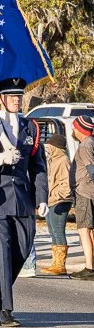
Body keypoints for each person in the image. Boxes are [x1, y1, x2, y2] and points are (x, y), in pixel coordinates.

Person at [0, 77, 48, 326]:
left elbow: (38, 166)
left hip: (22, 199)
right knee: (1, 254)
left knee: (23, 250)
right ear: (0, 99)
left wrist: (41, 197)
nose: (17, 100)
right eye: (12, 96)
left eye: (19, 96)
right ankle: (3, 309)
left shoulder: (31, 127)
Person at [39, 133, 73, 275]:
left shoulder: (63, 160)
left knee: (58, 230)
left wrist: (55, 195)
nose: (49, 148)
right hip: (52, 201)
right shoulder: (53, 160)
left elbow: (67, 185)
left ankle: (60, 265)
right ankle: (56, 263)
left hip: (61, 201)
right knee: (52, 231)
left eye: (51, 146)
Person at [70, 116, 94, 280]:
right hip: (88, 191)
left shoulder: (86, 145)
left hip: (85, 192)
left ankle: (90, 267)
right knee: (90, 230)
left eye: (74, 127)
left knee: (84, 230)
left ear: (79, 129)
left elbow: (91, 169)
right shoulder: (90, 142)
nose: (72, 130)